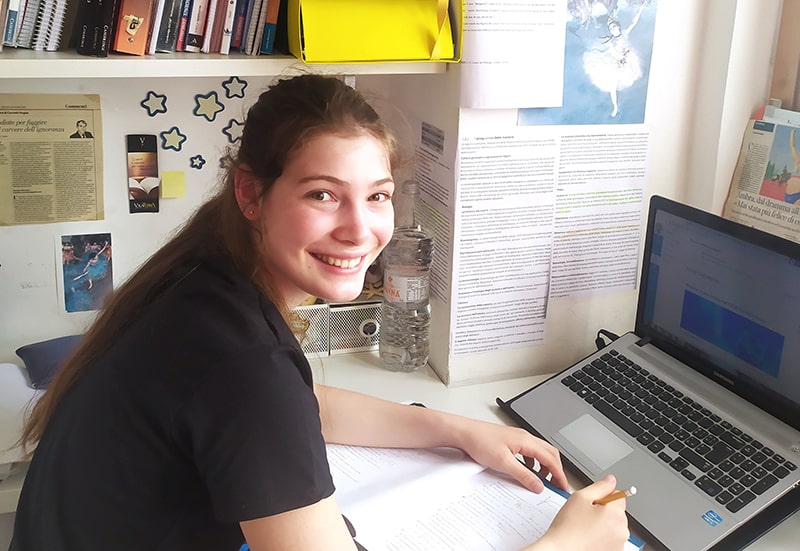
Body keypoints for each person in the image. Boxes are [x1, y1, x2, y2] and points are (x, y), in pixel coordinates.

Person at [11, 74, 629, 550]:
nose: (360, 230)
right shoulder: (240, 359)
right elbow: (264, 400)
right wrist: (567, 542)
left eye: (378, 196)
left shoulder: (202, 281)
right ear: (252, 193)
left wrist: (462, 431)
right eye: (323, 195)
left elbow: (300, 406)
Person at [582, 0, 648, 117]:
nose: (613, 29)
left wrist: (641, 9)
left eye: (614, 27)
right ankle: (615, 107)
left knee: (613, 84)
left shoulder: (624, 33)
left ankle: (615, 107)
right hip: (614, 60)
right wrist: (598, 52)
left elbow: (633, 22)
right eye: (611, 28)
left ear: (618, 27)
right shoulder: (610, 41)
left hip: (622, 60)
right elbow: (607, 51)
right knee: (612, 86)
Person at [785, 128, 800, 204]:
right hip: (787, 195)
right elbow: (792, 146)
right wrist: (792, 133)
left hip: (798, 197)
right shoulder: (798, 161)